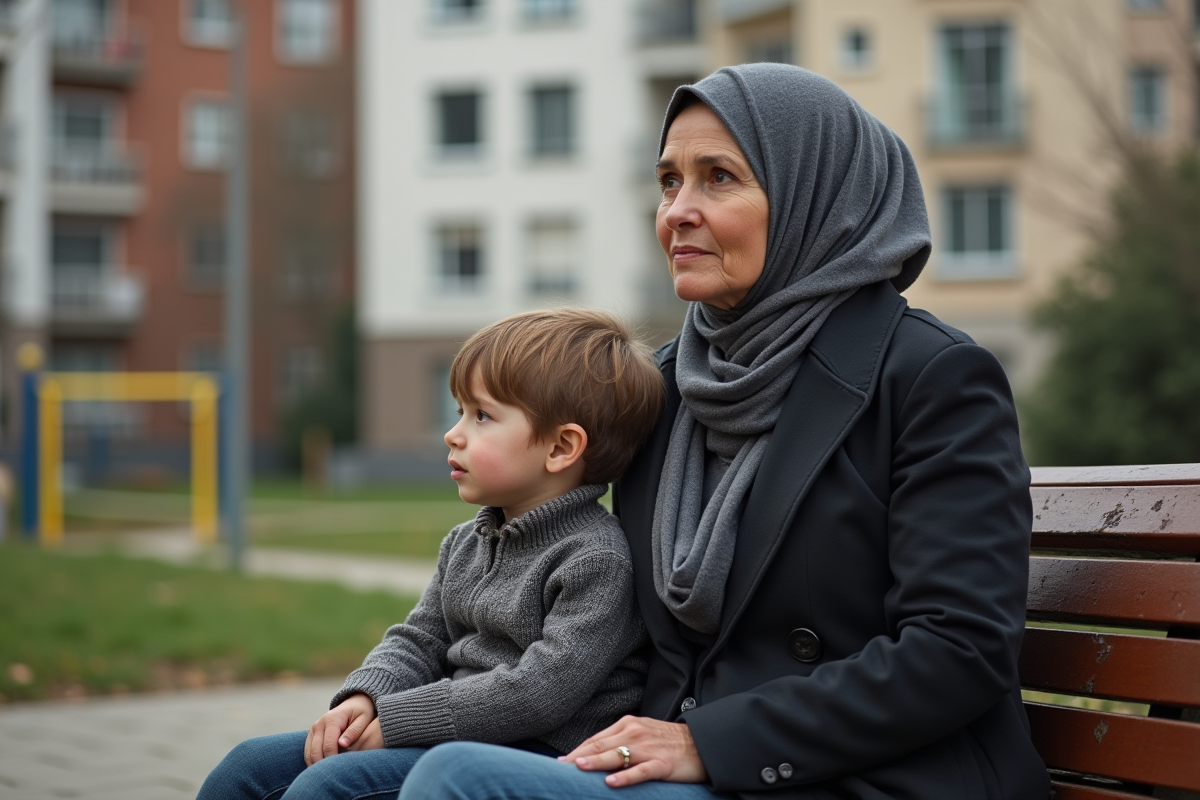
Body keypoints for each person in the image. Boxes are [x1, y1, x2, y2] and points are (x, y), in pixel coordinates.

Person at [395, 64, 1050, 799]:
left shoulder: (931, 376)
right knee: (283, 768)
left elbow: (959, 648)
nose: (678, 209)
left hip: (856, 777)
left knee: (460, 779)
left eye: (719, 178)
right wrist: (394, 695)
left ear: (813, 197)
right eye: (669, 180)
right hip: (672, 758)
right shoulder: (670, 382)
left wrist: (711, 741)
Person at [197, 308, 665, 799]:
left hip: (537, 754)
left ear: (561, 447)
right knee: (246, 768)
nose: (453, 432)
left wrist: (399, 722)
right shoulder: (465, 543)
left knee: (329, 786)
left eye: (481, 415)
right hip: (450, 733)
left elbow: (536, 694)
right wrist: (368, 694)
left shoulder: (596, 559)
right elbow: (419, 639)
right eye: (459, 410)